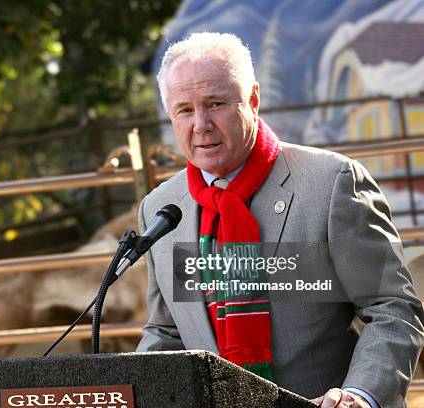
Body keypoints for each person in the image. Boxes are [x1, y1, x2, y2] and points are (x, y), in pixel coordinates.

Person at [136, 32, 424, 408]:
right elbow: (168, 332)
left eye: (216, 103)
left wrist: (359, 396)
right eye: (185, 110)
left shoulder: (330, 184)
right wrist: (131, 388)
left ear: (253, 100)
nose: (201, 123)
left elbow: (392, 309)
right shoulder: (162, 207)